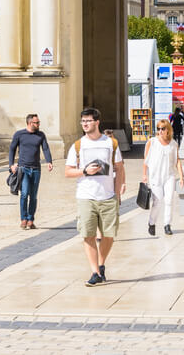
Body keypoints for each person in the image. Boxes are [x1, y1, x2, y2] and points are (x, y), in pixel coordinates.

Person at [65, 107, 125, 287]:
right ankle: (95, 272)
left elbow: (119, 167)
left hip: (107, 196)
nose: (85, 124)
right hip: (85, 196)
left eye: (88, 121)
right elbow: (68, 172)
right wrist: (84, 171)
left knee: (108, 235)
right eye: (83, 121)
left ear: (97, 122)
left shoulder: (110, 143)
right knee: (88, 235)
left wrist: (117, 190)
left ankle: (101, 263)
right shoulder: (77, 145)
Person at [8, 113, 53, 229]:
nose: (38, 124)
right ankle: (23, 219)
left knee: (33, 196)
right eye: (36, 122)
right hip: (23, 168)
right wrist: (11, 165)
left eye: (38, 122)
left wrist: (49, 161)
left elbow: (46, 148)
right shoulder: (19, 134)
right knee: (24, 194)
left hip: (36, 169)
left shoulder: (41, 135)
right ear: (29, 123)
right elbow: (12, 149)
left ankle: (30, 219)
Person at [143, 118, 183, 236]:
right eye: (158, 129)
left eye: (163, 129)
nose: (160, 131)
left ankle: (167, 224)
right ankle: (152, 222)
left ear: (168, 130)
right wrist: (144, 174)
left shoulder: (173, 144)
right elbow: (145, 160)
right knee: (157, 201)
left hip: (169, 175)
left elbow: (177, 160)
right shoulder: (152, 142)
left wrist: (181, 176)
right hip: (155, 176)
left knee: (169, 200)